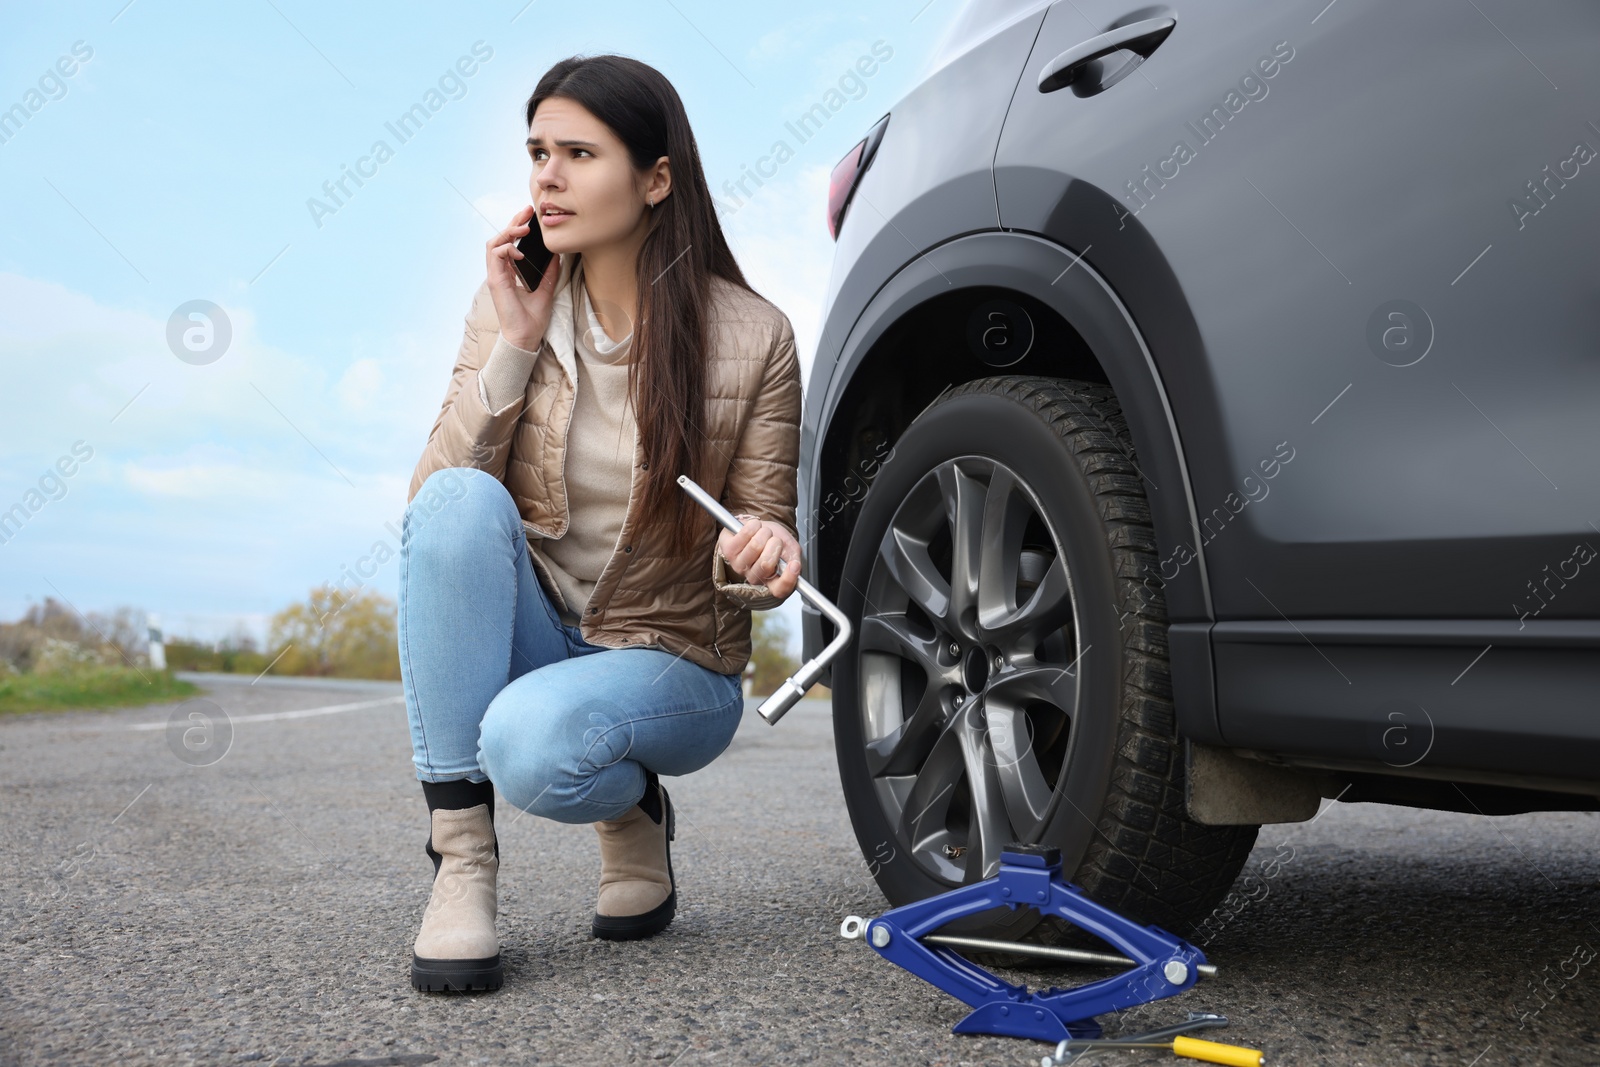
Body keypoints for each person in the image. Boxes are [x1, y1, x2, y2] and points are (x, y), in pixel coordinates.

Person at [397, 54, 803, 993]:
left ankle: (631, 810)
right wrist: (517, 341)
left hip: (675, 660)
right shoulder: (510, 307)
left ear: (656, 179)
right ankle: (461, 860)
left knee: (531, 747)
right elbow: (435, 510)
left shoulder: (756, 335)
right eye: (537, 151)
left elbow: (761, 536)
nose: (547, 175)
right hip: (546, 634)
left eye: (579, 152)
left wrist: (766, 553)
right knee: (459, 500)